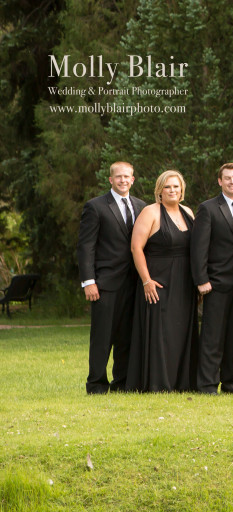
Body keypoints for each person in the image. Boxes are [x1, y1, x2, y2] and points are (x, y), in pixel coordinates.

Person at [125, 170, 199, 392]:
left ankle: (182, 382)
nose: (172, 190)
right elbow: (136, 247)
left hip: (185, 283)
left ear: (182, 189)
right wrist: (146, 281)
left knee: (181, 331)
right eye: (168, 187)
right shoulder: (150, 212)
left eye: (176, 186)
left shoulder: (188, 212)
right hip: (158, 282)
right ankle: (157, 383)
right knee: (161, 333)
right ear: (159, 190)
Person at [78, 161, 147, 394]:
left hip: (134, 284)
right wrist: (89, 281)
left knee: (127, 336)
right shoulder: (95, 207)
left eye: (127, 177)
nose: (123, 180)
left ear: (133, 179)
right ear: (110, 179)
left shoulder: (141, 207)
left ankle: (122, 383)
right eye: (118, 177)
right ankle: (96, 384)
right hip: (105, 284)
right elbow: (86, 246)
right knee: (102, 337)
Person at [190, 163, 233, 394]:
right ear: (220, 181)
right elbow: (199, 247)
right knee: (212, 334)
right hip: (216, 282)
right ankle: (207, 383)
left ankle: (230, 381)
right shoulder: (208, 209)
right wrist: (201, 279)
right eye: (227, 178)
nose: (232, 182)